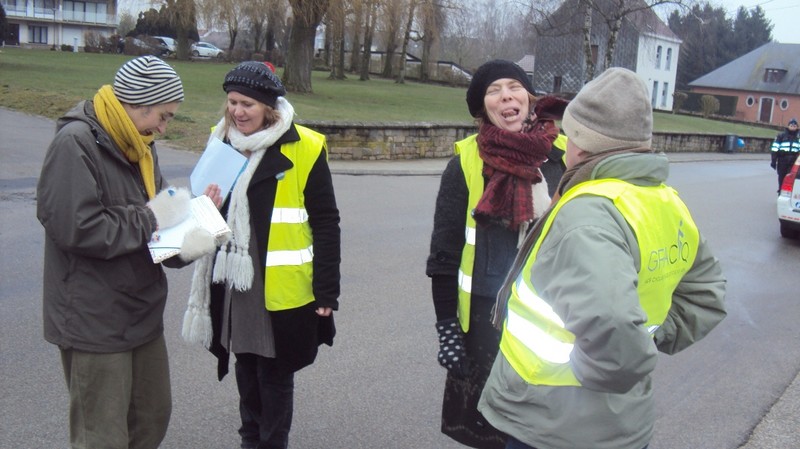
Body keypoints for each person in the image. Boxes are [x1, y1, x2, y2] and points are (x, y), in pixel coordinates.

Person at [477, 67, 728, 449]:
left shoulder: (587, 214)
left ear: (583, 144)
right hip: (623, 423)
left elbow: (612, 323)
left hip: (557, 424)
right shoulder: (664, 201)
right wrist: (649, 335)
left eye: (571, 133)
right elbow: (706, 295)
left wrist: (619, 359)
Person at [37, 55, 221, 449]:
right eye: (164, 116)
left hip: (140, 313)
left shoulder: (140, 145)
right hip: (94, 321)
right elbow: (79, 229)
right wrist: (153, 217)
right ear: (140, 103)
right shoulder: (75, 143)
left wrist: (197, 228)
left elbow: (161, 226)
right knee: (101, 436)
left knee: (151, 417)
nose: (164, 126)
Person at [181, 61, 341, 449]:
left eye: (247, 104)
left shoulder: (305, 146)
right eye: (233, 102)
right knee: (246, 364)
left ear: (269, 107)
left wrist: (326, 292)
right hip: (234, 279)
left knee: (275, 370)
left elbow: (325, 221)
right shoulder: (220, 143)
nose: (237, 112)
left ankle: (272, 442)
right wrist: (209, 207)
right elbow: (203, 214)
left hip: (282, 285)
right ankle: (250, 437)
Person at [426, 59, 568, 449]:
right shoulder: (465, 163)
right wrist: (446, 327)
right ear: (483, 107)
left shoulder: (566, 158)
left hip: (553, 320)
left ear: (529, 98)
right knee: (492, 435)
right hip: (487, 321)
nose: (506, 95)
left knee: (545, 433)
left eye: (514, 86)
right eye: (493, 90)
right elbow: (444, 254)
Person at [770, 117, 800, 192]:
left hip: (793, 161)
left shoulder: (798, 138)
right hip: (782, 160)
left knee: (791, 178)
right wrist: (773, 161)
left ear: (797, 127)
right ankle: (780, 191)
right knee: (782, 177)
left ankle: (788, 193)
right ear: (788, 126)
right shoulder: (781, 136)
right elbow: (775, 149)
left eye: (794, 126)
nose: (793, 127)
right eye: (791, 125)